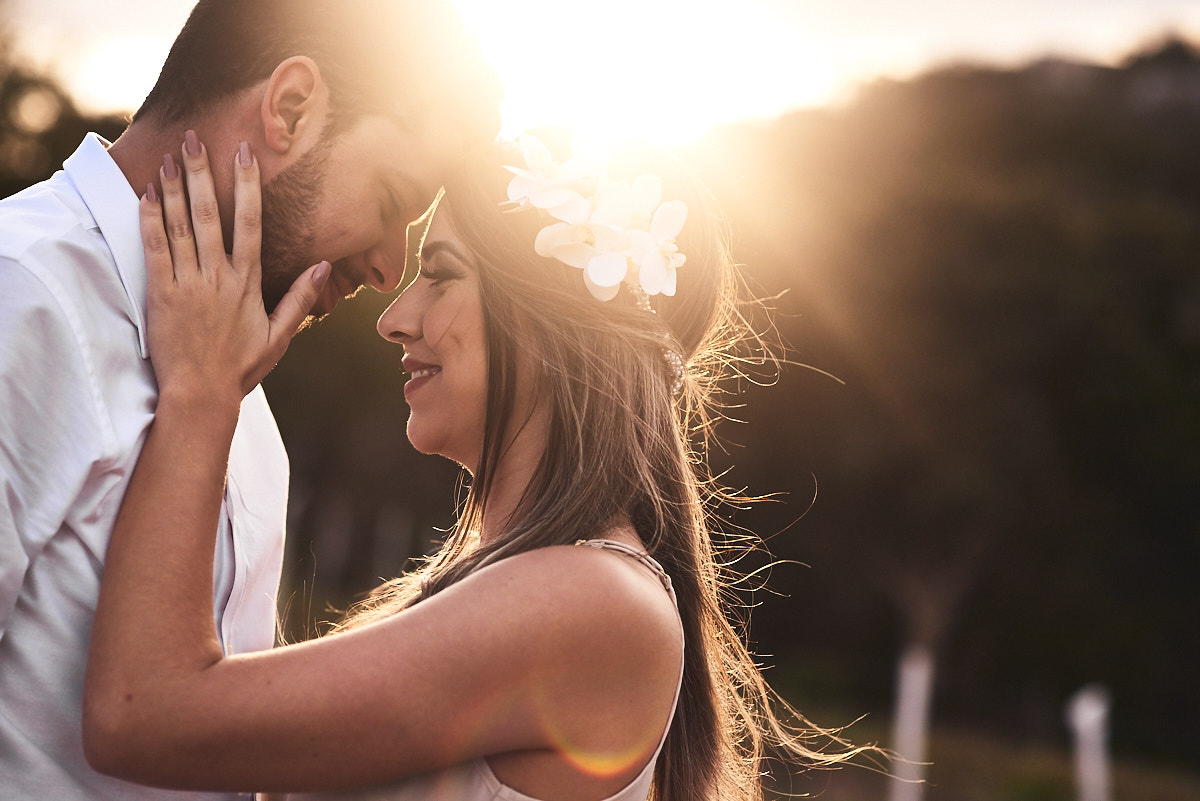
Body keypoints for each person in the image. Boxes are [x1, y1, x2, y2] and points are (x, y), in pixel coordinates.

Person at [82, 130, 872, 801]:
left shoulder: (592, 601)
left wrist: (201, 391)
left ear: (552, 318)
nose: (395, 318)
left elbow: (139, 712)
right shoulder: (532, 587)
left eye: (443, 273)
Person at [0, 1, 500, 798]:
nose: (386, 269)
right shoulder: (20, 294)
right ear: (291, 109)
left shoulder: (245, 411)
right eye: (390, 200)